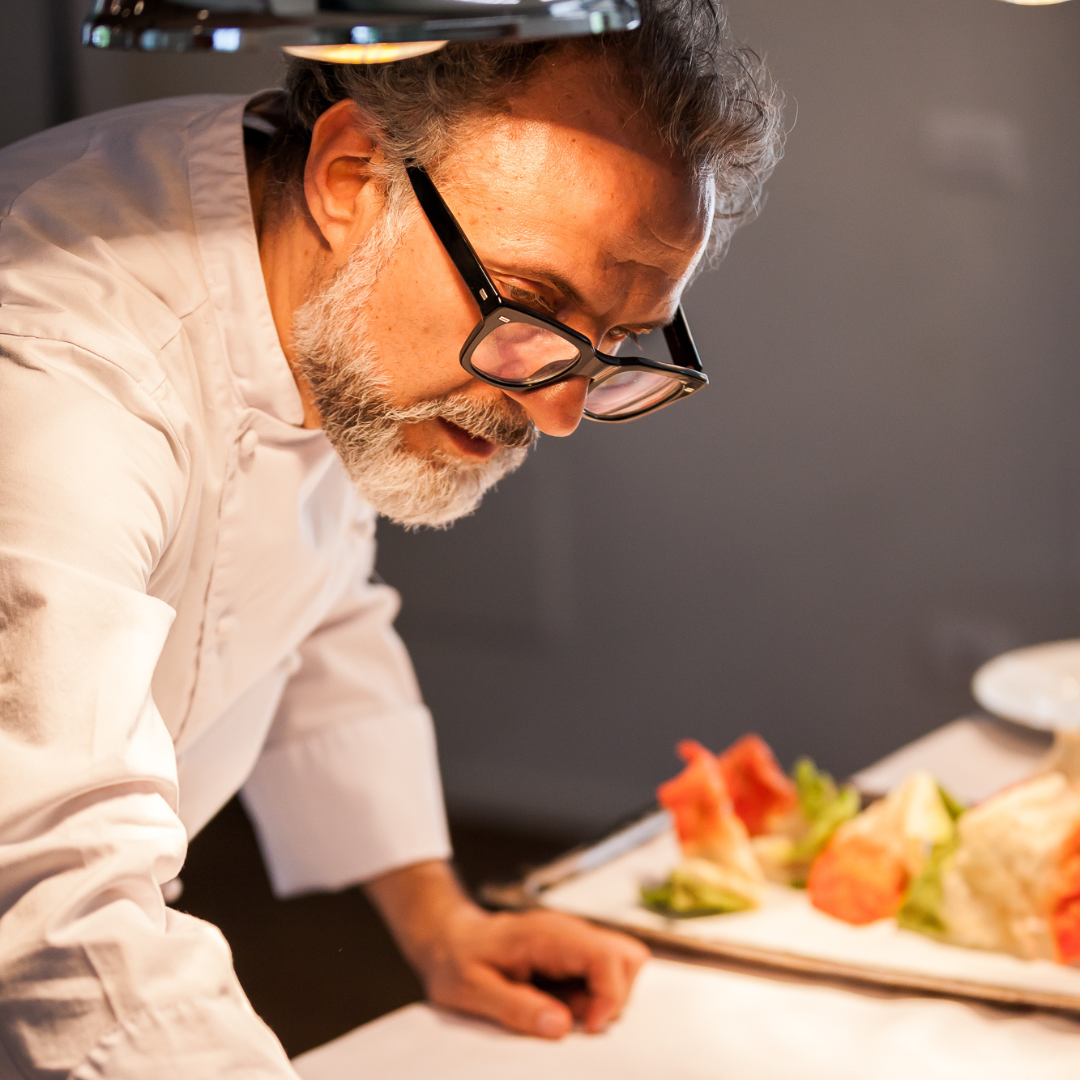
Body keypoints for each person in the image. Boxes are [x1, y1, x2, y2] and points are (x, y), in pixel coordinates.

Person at [0, 0, 782, 1075]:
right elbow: (52, 900)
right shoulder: (57, 368)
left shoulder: (319, 286)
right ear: (352, 175)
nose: (556, 413)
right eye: (532, 304)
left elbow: (305, 606)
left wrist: (439, 921)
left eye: (610, 344)